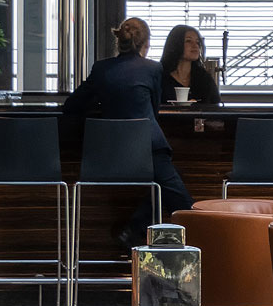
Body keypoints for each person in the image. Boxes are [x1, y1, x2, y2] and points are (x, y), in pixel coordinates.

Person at [61, 16, 192, 239]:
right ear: (146, 44)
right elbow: (153, 109)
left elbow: (72, 105)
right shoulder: (153, 69)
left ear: (118, 41)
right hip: (148, 152)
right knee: (180, 200)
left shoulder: (101, 69)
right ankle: (204, 243)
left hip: (107, 157)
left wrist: (102, 103)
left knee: (165, 185)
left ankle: (133, 231)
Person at [160, 23, 220, 108]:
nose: (195, 46)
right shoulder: (161, 76)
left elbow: (216, 108)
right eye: (188, 41)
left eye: (197, 42)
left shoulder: (204, 78)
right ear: (175, 44)